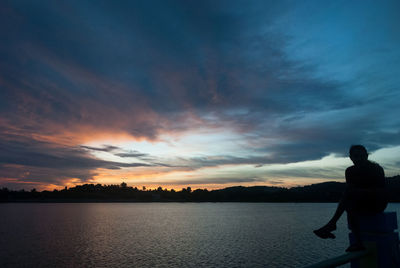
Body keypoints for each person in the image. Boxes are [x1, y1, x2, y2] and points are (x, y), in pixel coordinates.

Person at [313, 145, 388, 252]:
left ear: (366, 156)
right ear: (351, 158)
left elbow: (381, 192)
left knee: (349, 196)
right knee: (349, 201)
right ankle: (355, 240)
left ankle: (332, 224)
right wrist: (355, 193)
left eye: (362, 156)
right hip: (360, 202)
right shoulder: (350, 171)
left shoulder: (376, 169)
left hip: (378, 203)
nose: (359, 159)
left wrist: (359, 192)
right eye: (356, 156)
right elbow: (351, 191)